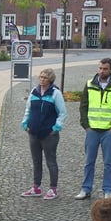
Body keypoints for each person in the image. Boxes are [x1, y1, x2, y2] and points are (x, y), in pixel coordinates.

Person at [76, 58, 111, 200]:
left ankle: (108, 190)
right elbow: (83, 106)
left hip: (108, 131)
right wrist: (86, 125)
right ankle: (86, 189)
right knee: (88, 161)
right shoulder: (89, 84)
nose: (102, 71)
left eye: (105, 69)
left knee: (108, 162)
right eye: (100, 68)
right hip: (92, 130)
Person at [21, 68, 68, 201]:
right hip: (33, 132)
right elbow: (28, 109)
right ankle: (36, 187)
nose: (42, 79)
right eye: (41, 77)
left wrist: (56, 128)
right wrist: (25, 123)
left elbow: (62, 112)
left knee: (51, 161)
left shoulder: (55, 93)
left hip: (49, 134)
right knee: (36, 161)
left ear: (50, 80)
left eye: (45, 78)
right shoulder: (34, 92)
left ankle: (53, 188)